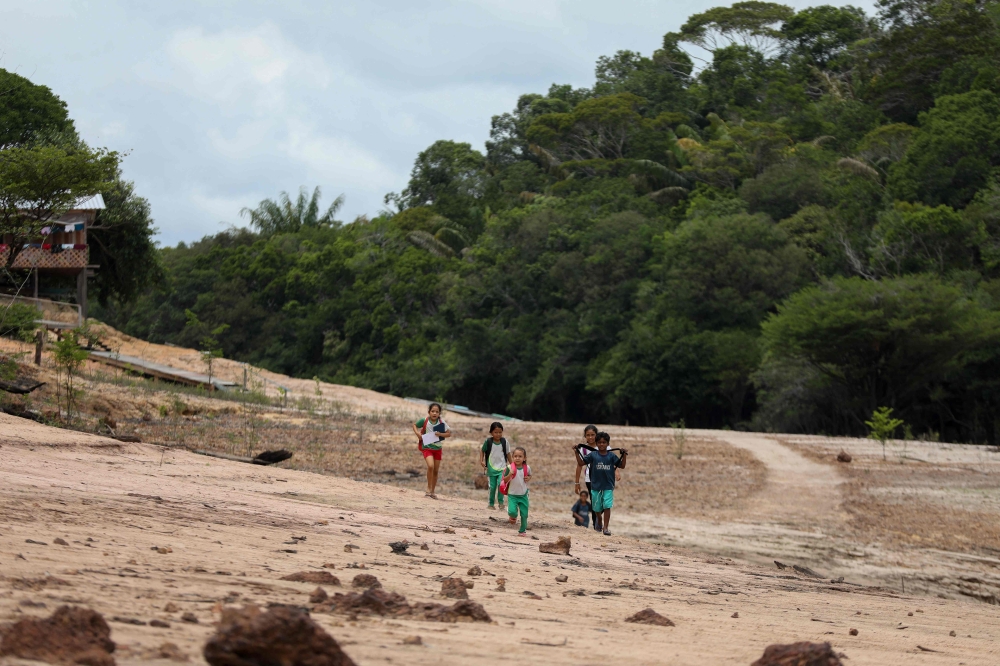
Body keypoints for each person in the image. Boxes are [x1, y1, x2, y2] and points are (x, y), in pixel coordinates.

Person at [573, 432, 627, 536]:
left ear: (608, 443)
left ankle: (605, 527)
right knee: (596, 508)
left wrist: (624, 455)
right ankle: (599, 518)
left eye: (604, 442)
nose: (602, 444)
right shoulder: (593, 455)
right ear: (596, 443)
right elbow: (581, 463)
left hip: (608, 486)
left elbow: (622, 466)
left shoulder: (611, 456)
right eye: (599, 442)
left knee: (607, 506)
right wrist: (576, 452)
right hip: (596, 486)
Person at [411, 402, 451, 499]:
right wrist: (417, 434)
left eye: (437, 412)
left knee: (436, 471)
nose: (434, 413)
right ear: (429, 412)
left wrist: (440, 434)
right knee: (430, 466)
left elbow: (449, 433)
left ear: (439, 413)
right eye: (432, 411)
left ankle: (432, 491)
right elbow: (415, 425)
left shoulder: (442, 422)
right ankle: (428, 489)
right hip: (427, 447)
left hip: (438, 449)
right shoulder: (425, 420)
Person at [573, 425, 602, 531]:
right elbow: (579, 465)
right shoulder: (583, 449)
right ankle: (596, 526)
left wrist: (616, 472)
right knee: (595, 501)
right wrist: (576, 483)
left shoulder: (602, 446)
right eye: (588, 435)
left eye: (592, 435)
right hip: (590, 479)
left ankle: (599, 519)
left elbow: (611, 459)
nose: (590, 437)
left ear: (596, 435)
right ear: (585, 436)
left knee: (603, 502)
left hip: (604, 479)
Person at [479, 421, 511, 511]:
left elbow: (508, 454)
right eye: (495, 432)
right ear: (491, 432)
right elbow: (482, 450)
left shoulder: (505, 442)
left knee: (501, 485)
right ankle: (491, 504)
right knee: (492, 487)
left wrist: (513, 465)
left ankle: (501, 503)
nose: (498, 434)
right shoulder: (488, 442)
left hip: (502, 468)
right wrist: (481, 461)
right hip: (491, 468)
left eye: (500, 432)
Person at [502, 446, 531, 536]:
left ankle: (522, 530)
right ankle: (512, 516)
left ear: (524, 458)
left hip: (523, 495)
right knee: (512, 512)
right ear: (512, 457)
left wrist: (528, 478)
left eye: (520, 456)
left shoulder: (527, 468)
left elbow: (530, 475)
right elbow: (505, 480)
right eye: (515, 456)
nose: (517, 458)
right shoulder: (509, 468)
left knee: (524, 514)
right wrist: (510, 474)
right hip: (512, 494)